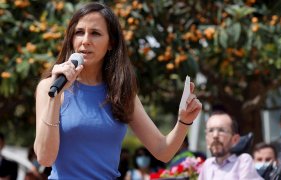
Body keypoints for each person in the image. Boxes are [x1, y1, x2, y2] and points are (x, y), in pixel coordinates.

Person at [34, 2, 202, 179]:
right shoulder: (50, 87)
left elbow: (163, 151)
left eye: (95, 33)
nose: (85, 40)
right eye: (79, 32)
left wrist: (184, 122)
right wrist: (56, 96)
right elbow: (45, 158)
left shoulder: (121, 92)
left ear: (111, 43)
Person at [198, 110, 263, 180]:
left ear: (235, 139)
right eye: (210, 130)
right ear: (206, 139)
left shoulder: (242, 161)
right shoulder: (208, 165)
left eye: (221, 130)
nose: (215, 135)